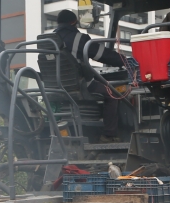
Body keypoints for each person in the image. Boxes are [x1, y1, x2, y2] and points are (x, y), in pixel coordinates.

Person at [53, 9, 124, 142]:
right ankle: (109, 135)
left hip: (56, 87)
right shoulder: (79, 38)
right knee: (112, 93)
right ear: (74, 22)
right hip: (80, 85)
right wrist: (126, 60)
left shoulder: (48, 40)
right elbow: (103, 55)